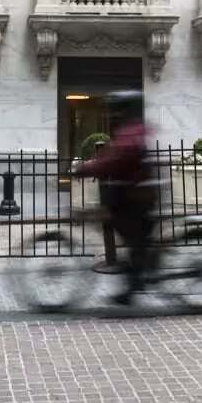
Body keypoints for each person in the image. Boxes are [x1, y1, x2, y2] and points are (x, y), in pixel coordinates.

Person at [71, 89, 156, 305]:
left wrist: (87, 168)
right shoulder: (131, 130)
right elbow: (115, 156)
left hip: (135, 198)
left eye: (116, 110)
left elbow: (116, 159)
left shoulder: (130, 133)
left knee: (130, 234)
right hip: (133, 195)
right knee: (132, 238)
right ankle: (136, 275)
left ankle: (134, 281)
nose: (113, 114)